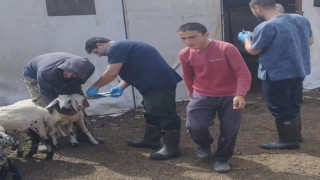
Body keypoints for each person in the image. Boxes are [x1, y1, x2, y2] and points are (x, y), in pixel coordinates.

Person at [85, 37, 183, 160]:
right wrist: (120, 87)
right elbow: (133, 70)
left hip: (158, 82)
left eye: (96, 52)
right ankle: (151, 141)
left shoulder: (116, 47)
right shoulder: (123, 46)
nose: (99, 56)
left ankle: (172, 148)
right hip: (152, 83)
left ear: (99, 44)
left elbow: (111, 73)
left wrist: (95, 87)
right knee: (152, 111)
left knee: (164, 112)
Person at [238, 0, 314, 150]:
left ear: (257, 8)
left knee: (279, 105)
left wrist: (246, 38)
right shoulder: (301, 19)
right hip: (299, 69)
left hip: (276, 73)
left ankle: (288, 141)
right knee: (293, 102)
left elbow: (254, 50)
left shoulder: (265, 26)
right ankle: (296, 135)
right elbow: (310, 41)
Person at [177, 22, 252, 173]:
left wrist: (240, 94)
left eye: (192, 37)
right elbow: (188, 75)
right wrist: (192, 94)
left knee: (230, 129)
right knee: (194, 126)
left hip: (230, 94)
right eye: (184, 39)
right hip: (202, 94)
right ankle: (204, 144)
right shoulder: (184, 53)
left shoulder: (226, 48)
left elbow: (242, 73)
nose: (188, 42)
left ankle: (222, 158)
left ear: (206, 35)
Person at [22, 52, 104, 151]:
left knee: (77, 104)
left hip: (57, 74)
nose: (69, 75)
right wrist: (64, 111)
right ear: (64, 66)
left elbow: (75, 84)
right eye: (68, 71)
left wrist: (80, 100)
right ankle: (43, 139)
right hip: (34, 76)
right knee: (44, 107)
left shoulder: (89, 69)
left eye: (74, 74)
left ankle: (82, 134)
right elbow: (47, 94)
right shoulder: (46, 72)